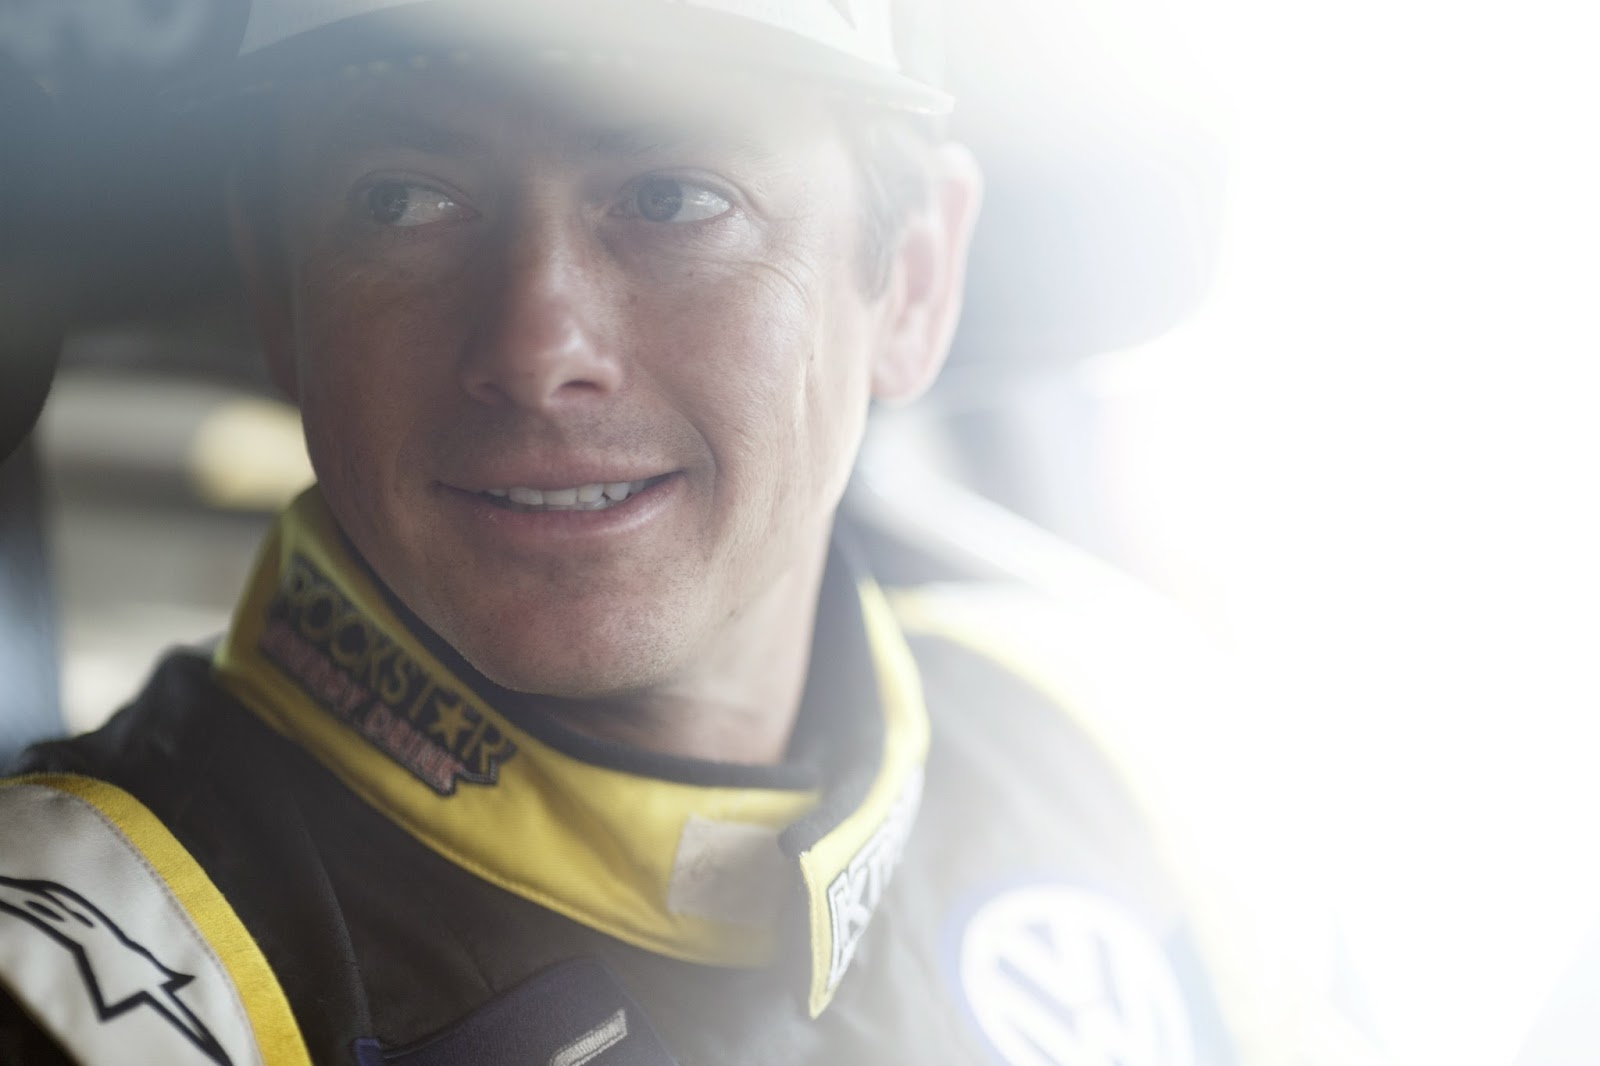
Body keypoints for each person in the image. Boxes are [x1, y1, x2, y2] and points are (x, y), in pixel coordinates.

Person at [0, 2, 1363, 1063]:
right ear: (279, 291)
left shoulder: (1137, 748)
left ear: (912, 283)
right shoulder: (70, 976)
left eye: (672, 197)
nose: (538, 347)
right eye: (405, 198)